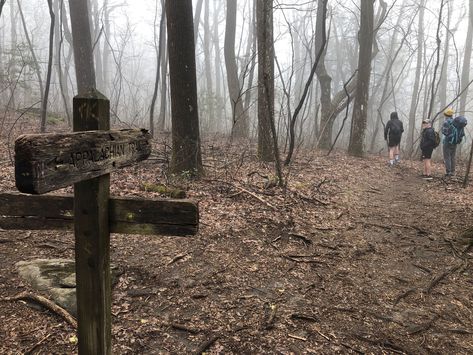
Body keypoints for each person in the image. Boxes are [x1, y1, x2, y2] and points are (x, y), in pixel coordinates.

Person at [441, 107, 465, 177]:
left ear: (446, 115)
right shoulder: (456, 122)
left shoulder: (446, 122)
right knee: (452, 156)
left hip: (447, 142)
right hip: (455, 142)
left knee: (447, 157)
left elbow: (444, 132)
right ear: (451, 115)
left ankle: (448, 172)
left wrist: (444, 130)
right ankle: (453, 172)